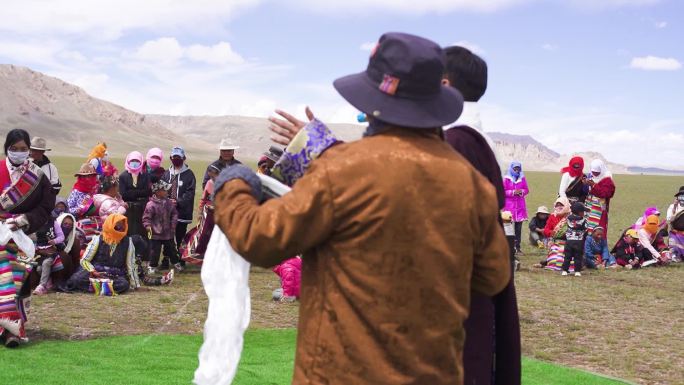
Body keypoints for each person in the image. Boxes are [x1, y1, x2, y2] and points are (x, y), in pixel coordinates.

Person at [213, 32, 510, 384]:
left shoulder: (344, 169)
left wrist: (232, 185)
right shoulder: (471, 183)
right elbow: (493, 275)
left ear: (372, 99)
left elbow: (260, 238)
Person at [0, 129, 55, 347]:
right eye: (15, 149)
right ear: (7, 149)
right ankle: (7, 328)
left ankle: (13, 328)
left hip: (23, 234)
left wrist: (25, 219)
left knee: (18, 279)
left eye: (24, 149)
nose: (19, 153)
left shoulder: (37, 177)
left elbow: (46, 206)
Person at [66, 214, 140, 294]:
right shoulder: (98, 239)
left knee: (123, 284)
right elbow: (84, 260)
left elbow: (131, 265)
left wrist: (135, 285)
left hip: (115, 275)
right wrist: (93, 271)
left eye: (122, 224)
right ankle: (104, 288)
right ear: (110, 224)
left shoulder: (128, 242)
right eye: (117, 223)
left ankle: (95, 287)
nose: (120, 226)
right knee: (76, 280)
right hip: (95, 272)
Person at [182, 165, 219, 265]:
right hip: (208, 213)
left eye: (213, 175)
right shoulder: (209, 183)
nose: (212, 177)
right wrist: (199, 213)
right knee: (203, 233)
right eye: (210, 175)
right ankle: (194, 254)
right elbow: (203, 199)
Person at [143, 180, 181, 274]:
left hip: (168, 232)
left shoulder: (169, 203)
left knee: (172, 249)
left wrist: (173, 224)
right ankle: (152, 265)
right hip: (155, 233)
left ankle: (176, 262)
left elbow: (174, 213)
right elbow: (146, 218)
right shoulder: (151, 205)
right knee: (154, 251)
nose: (167, 192)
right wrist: (148, 226)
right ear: (158, 192)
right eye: (165, 190)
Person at [163, 147, 195, 253]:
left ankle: (181, 258)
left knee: (180, 236)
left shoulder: (189, 175)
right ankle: (166, 259)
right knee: (167, 236)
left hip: (182, 213)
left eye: (179, 157)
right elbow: (161, 190)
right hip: (167, 212)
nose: (176, 159)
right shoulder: (166, 174)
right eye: (174, 157)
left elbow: (190, 193)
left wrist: (178, 201)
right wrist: (167, 200)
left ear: (184, 158)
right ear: (170, 158)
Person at [118, 151, 152, 238]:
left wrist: (132, 193)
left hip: (143, 209)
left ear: (141, 162)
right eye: (132, 160)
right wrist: (139, 193)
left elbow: (147, 192)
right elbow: (123, 194)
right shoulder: (123, 176)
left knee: (142, 232)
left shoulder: (145, 175)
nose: (134, 163)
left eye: (137, 161)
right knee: (129, 231)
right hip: (128, 209)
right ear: (128, 161)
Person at [31, 216, 65, 295]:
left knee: (46, 263)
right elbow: (33, 238)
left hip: (51, 251)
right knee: (39, 269)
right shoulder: (36, 223)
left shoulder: (53, 223)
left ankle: (41, 286)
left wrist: (55, 241)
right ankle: (48, 282)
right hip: (40, 251)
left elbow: (61, 236)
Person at [537, 197, 572, 270]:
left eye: (561, 205)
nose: (559, 207)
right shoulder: (552, 216)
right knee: (555, 258)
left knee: (567, 256)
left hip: (568, 242)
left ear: (566, 205)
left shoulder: (570, 216)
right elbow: (546, 230)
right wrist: (552, 233)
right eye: (557, 205)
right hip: (555, 242)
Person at [583, 159, 616, 238]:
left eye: (597, 172)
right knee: (587, 227)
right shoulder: (590, 176)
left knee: (599, 228)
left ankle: (598, 248)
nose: (595, 174)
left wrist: (593, 185)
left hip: (600, 209)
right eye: (593, 172)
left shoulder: (607, 180)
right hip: (589, 206)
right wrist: (585, 184)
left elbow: (606, 194)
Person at [503, 161, 529, 254]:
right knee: (508, 229)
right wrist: (513, 192)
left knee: (518, 229)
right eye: (515, 168)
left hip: (520, 208)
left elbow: (526, 190)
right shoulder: (506, 179)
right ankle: (508, 248)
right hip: (509, 207)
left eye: (518, 168)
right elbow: (503, 191)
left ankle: (517, 248)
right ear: (511, 168)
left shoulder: (522, 178)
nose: (517, 170)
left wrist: (521, 191)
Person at [561, 202, 589, 276]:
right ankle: (577, 271)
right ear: (580, 212)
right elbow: (586, 230)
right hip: (579, 242)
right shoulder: (584, 220)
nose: (584, 213)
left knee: (567, 257)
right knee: (578, 257)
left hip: (569, 242)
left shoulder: (567, 219)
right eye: (583, 211)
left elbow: (563, 228)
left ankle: (564, 270)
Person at [666, 186, 684, 261]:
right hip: (676, 233)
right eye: (681, 195)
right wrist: (675, 207)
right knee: (674, 246)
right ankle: (675, 254)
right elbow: (670, 219)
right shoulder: (672, 207)